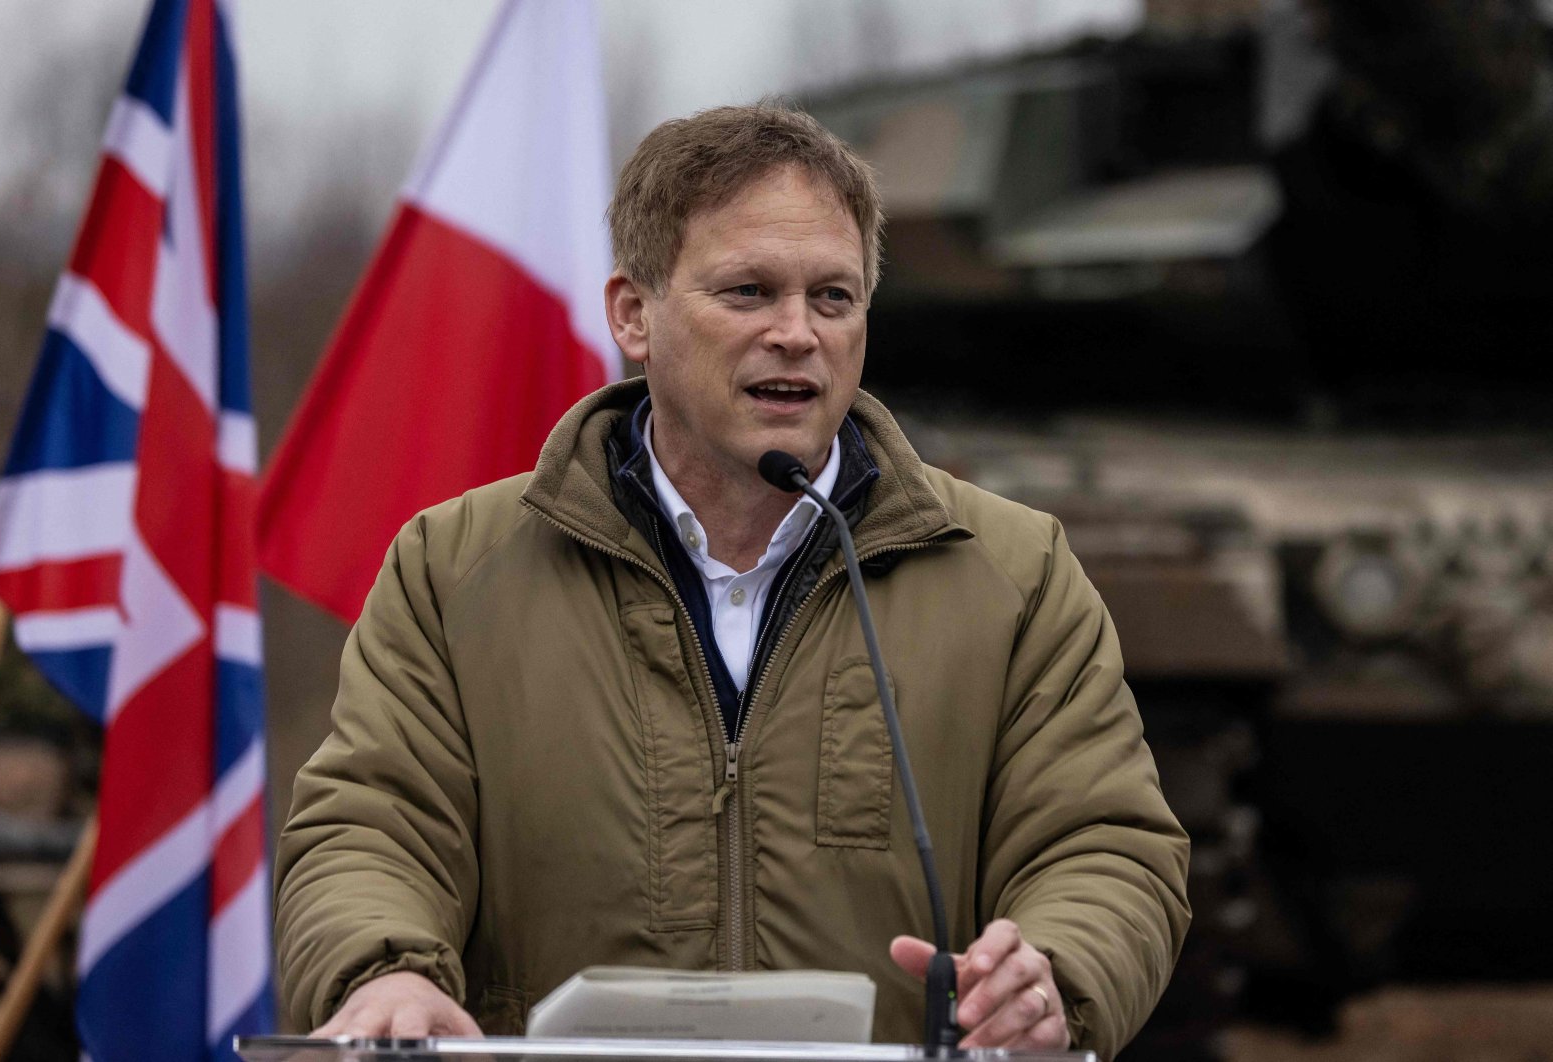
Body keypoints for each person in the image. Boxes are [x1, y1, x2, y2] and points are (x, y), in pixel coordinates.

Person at [275, 104, 1189, 1058]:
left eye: (833, 298)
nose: (798, 334)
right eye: (749, 291)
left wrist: (1051, 969)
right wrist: (386, 972)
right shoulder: (454, 570)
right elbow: (369, 826)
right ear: (633, 313)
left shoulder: (1012, 575)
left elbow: (1105, 844)